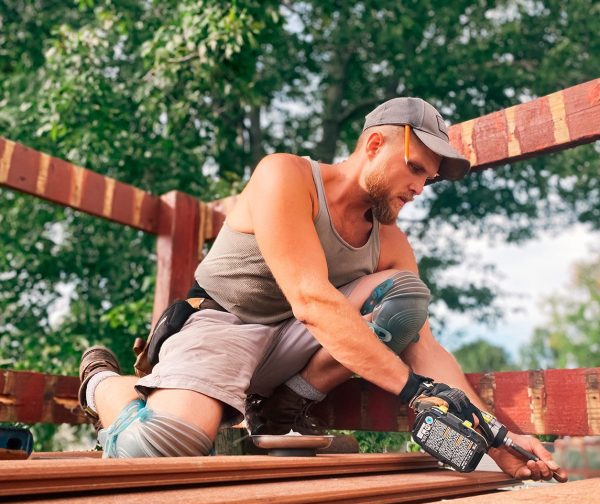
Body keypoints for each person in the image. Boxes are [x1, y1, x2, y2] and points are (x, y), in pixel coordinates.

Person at [78, 97, 567, 482]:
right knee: (160, 449)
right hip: (225, 323)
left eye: (429, 179)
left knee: (406, 296)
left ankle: (279, 408)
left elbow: (425, 348)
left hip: (293, 348)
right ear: (374, 145)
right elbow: (310, 299)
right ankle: (104, 382)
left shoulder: (391, 242)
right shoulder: (285, 175)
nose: (421, 187)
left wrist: (498, 436)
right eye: (416, 168)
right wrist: (416, 393)